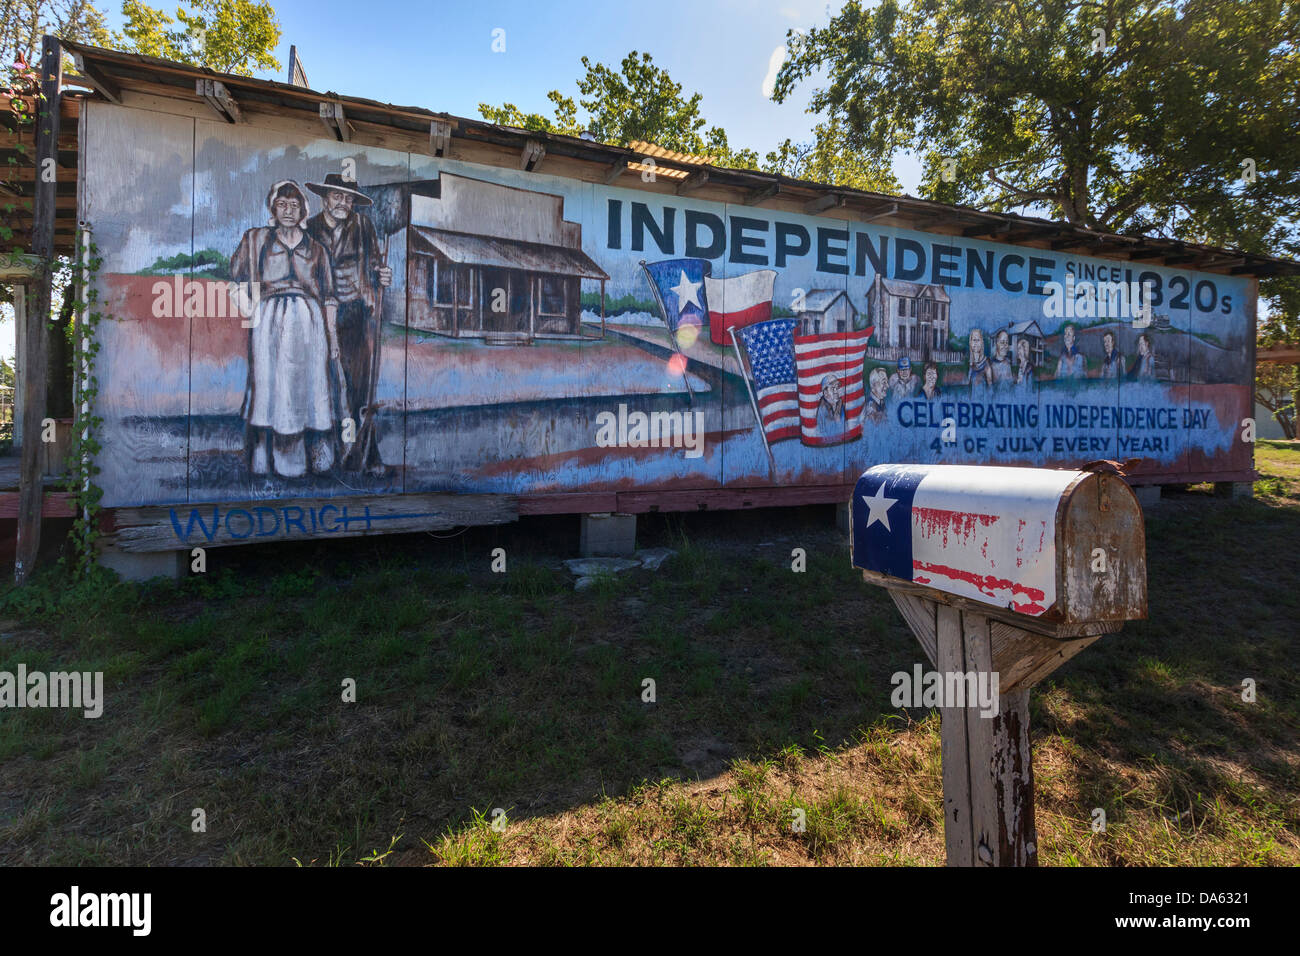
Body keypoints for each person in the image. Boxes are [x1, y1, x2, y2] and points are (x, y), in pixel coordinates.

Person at [231, 180, 338, 479]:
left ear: (303, 210)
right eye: (282, 204)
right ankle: (264, 459)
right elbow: (237, 277)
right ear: (273, 208)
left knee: (309, 387)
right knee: (269, 388)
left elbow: (329, 296)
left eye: (294, 205)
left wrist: (333, 338)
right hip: (270, 321)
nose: (288, 211)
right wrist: (251, 311)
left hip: (309, 322)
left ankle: (308, 459)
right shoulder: (257, 241)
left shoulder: (316, 249)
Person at [304, 173, 393, 475]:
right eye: (338, 196)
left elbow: (375, 263)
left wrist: (382, 274)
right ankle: (325, 455)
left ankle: (364, 453)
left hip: (355, 313)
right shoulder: (311, 229)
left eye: (349, 198)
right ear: (325, 197)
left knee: (359, 390)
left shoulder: (362, 225)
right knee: (326, 386)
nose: (343, 203)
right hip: (320, 314)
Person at [813, 374, 846, 439]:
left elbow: (843, 427)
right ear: (825, 392)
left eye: (837, 388)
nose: (836, 391)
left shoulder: (839, 404)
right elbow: (825, 433)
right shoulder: (823, 408)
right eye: (833, 388)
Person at [967, 328, 993, 396]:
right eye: (974, 340)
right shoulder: (970, 364)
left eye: (978, 340)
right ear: (970, 342)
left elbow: (990, 389)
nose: (975, 343)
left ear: (981, 342)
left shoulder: (986, 364)